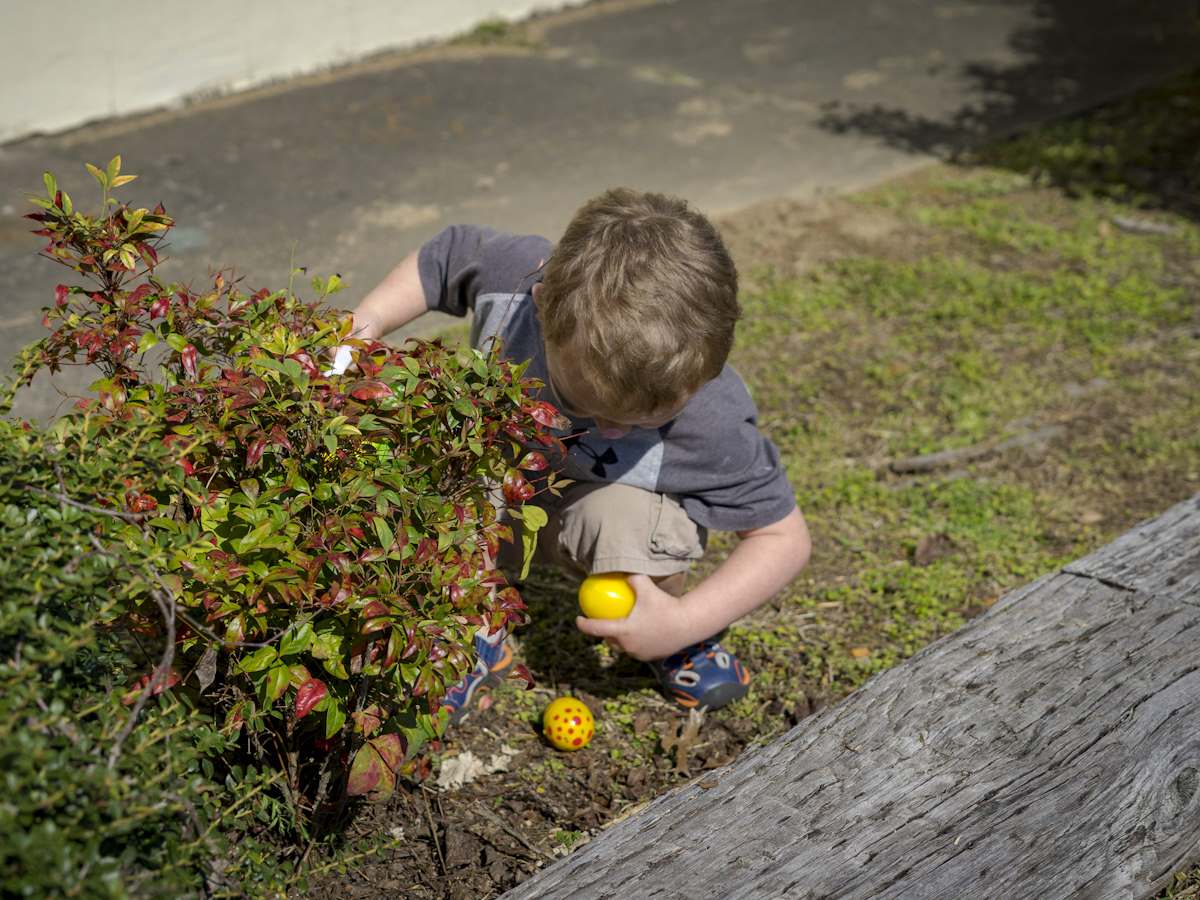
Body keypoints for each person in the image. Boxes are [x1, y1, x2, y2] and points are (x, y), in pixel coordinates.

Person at [343, 188, 811, 718]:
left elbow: (783, 538)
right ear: (543, 306)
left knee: (639, 524)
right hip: (495, 487)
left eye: (641, 421)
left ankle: (667, 631)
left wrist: (685, 621)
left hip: (600, 510)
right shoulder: (515, 284)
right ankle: (467, 632)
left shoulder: (710, 419)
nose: (608, 432)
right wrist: (365, 325)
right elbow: (443, 258)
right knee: (442, 469)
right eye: (584, 403)